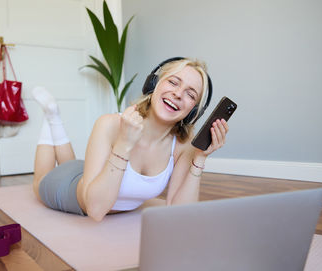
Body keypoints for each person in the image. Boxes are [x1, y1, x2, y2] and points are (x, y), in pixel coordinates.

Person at [31, 57, 229, 222]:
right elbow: (96, 210)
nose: (178, 94)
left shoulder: (183, 146)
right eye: (173, 82)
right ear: (154, 84)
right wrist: (124, 144)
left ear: (194, 110)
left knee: (72, 164)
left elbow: (181, 214)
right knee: (40, 180)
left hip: (93, 176)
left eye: (190, 94)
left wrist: (200, 158)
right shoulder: (110, 124)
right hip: (69, 190)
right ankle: (52, 118)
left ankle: (53, 117)